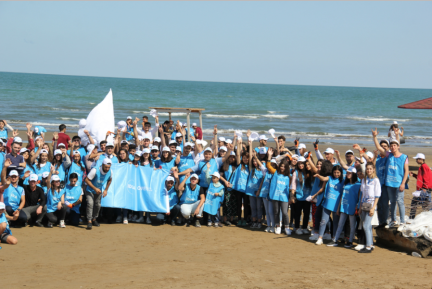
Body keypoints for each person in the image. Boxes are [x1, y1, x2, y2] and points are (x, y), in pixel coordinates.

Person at [372, 128, 408, 227]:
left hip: (399, 184)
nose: (392, 147)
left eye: (394, 145)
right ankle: (393, 220)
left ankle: (402, 221)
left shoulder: (403, 157)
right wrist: (375, 137)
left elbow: (406, 171)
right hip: (389, 184)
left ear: (397, 146)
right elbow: (379, 148)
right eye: (391, 145)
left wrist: (403, 183)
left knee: (400, 201)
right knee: (392, 202)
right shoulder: (389, 155)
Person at [327, 167, 360, 248]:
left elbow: (359, 197)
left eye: (350, 173)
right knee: (340, 224)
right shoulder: (346, 183)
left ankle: (350, 241)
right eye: (347, 173)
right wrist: (338, 208)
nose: (347, 174)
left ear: (354, 174)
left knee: (352, 226)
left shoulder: (358, 185)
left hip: (352, 208)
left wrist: (357, 207)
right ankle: (335, 240)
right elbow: (342, 196)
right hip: (343, 207)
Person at [314, 165, 344, 245]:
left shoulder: (343, 181)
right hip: (327, 204)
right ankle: (320, 238)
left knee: (335, 222)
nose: (336, 174)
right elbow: (324, 178)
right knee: (323, 221)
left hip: (336, 206)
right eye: (334, 172)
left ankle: (334, 238)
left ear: (341, 173)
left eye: (338, 172)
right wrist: (318, 175)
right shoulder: (329, 178)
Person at [266, 148, 292, 235]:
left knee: (285, 212)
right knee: (276, 212)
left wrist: (289, 154)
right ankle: (278, 226)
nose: (282, 168)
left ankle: (287, 227)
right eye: (281, 166)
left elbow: (293, 162)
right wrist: (270, 156)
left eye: (284, 167)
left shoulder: (289, 176)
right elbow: (269, 165)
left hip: (284, 197)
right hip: (275, 196)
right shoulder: (275, 172)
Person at [358, 162, 381, 253]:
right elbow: (363, 194)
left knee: (366, 225)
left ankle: (367, 247)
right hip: (364, 205)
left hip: (371, 205)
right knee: (366, 225)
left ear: (373, 169)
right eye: (367, 169)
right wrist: (360, 207)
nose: (369, 170)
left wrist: (373, 208)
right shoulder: (364, 179)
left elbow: (377, 195)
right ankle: (370, 244)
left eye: (370, 169)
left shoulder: (376, 180)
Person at [84, 158, 112, 230]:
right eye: (106, 167)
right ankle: (89, 221)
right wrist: (95, 188)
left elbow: (110, 180)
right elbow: (86, 180)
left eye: (109, 167)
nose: (107, 169)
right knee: (90, 203)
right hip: (90, 190)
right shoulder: (95, 170)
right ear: (102, 165)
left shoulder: (110, 172)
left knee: (98, 205)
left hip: (98, 191)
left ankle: (94, 219)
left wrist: (106, 190)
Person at [245, 139, 266, 228]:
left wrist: (256, 157)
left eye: (255, 161)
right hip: (250, 191)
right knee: (253, 207)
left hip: (258, 191)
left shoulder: (262, 169)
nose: (254, 162)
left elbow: (262, 180)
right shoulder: (251, 169)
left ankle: (259, 222)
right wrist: (250, 143)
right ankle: (254, 221)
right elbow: (250, 157)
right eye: (253, 161)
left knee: (258, 207)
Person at [291, 156, 313, 235]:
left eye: (302, 163)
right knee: (297, 213)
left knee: (307, 213)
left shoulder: (308, 172)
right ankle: (297, 228)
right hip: (299, 197)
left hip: (307, 197)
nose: (300, 165)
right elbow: (293, 185)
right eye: (299, 163)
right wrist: (292, 196)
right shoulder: (295, 172)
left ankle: (304, 227)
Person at [409, 153, 432, 218]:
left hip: (424, 190)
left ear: (421, 159)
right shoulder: (423, 166)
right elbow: (421, 178)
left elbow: (427, 178)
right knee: (426, 205)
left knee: (425, 205)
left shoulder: (424, 166)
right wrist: (413, 175)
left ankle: (411, 218)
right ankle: (412, 218)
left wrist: (424, 188)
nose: (416, 160)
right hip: (424, 189)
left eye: (417, 159)